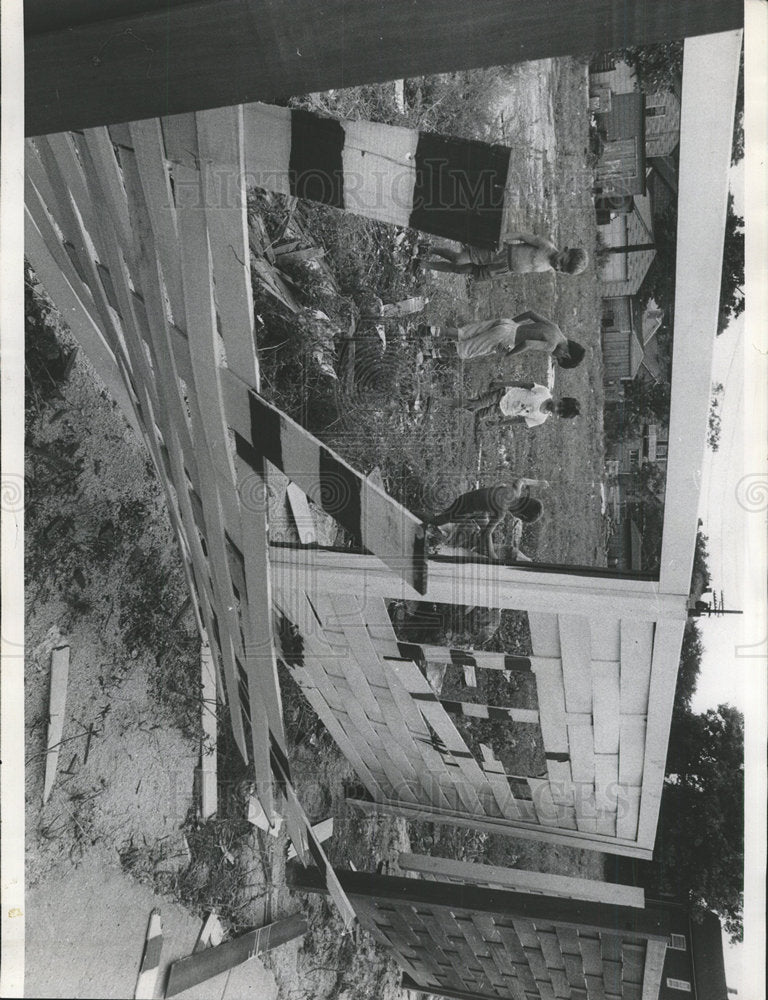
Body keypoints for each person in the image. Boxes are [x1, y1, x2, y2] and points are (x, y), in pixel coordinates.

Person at [423, 479, 546, 562]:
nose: (515, 517)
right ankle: (412, 515)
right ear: (522, 516)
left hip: (475, 503)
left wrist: (538, 482)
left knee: (483, 520)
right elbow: (486, 534)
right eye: (518, 518)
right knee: (437, 520)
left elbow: (522, 480)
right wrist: (493, 556)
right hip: (464, 506)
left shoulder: (515, 492)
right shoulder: (501, 511)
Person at [421, 310, 585, 368]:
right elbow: (527, 344)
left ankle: (427, 330)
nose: (554, 355)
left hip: (509, 324)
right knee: (465, 350)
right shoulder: (551, 345)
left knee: (463, 333)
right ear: (566, 355)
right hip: (507, 337)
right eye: (558, 358)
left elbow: (530, 313)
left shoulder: (556, 328)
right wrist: (507, 355)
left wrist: (511, 323)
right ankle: (428, 354)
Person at [419, 232, 588, 280]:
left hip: (502, 269)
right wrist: (501, 239)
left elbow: (526, 268)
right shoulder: (546, 247)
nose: (557, 266)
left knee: (461, 271)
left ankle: (425, 265)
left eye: (561, 270)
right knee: (458, 259)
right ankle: (432, 249)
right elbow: (522, 236)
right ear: (565, 250)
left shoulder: (548, 267)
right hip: (500, 253)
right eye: (562, 261)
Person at [459, 380, 580, 428]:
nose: (555, 407)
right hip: (505, 394)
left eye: (559, 411)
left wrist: (498, 424)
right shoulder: (544, 392)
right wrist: (501, 384)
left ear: (558, 415)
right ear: (560, 399)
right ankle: (467, 403)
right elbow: (523, 384)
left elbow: (519, 421)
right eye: (559, 404)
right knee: (478, 404)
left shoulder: (540, 419)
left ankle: (472, 415)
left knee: (482, 414)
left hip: (504, 410)